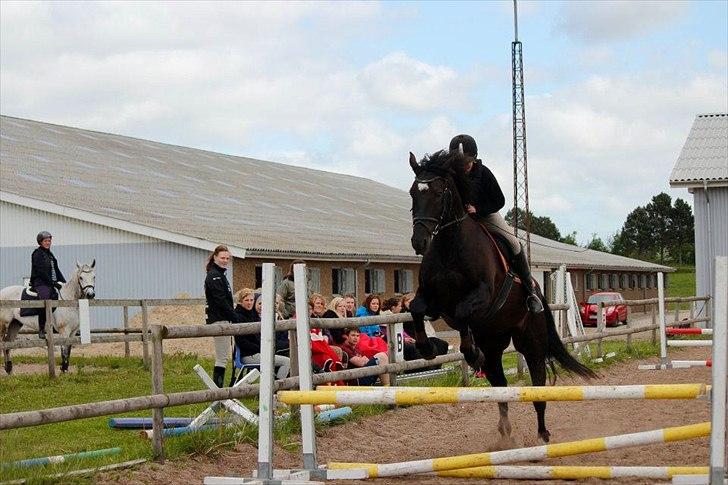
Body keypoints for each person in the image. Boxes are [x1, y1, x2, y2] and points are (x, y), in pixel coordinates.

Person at [450, 134, 543, 313]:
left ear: (474, 159)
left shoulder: (484, 173)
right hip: (460, 220)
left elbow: (499, 201)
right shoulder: (453, 175)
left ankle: (530, 289)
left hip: (486, 215)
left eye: (467, 163)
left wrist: (478, 210)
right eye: (460, 164)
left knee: (514, 242)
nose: (464, 167)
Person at [204, 245, 242, 388]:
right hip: (218, 319)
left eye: (227, 258)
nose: (225, 261)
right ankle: (217, 390)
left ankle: (218, 390)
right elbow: (220, 301)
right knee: (222, 358)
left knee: (223, 357)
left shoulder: (220, 275)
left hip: (224, 318)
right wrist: (235, 316)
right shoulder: (214, 276)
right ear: (215, 257)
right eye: (222, 258)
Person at [234, 293, 291, 379]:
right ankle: (276, 387)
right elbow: (242, 341)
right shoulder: (240, 317)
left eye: (251, 300)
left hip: (259, 352)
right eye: (246, 300)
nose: (249, 303)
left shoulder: (253, 316)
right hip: (249, 355)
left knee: (288, 355)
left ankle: (277, 383)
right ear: (240, 302)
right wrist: (262, 348)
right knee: (286, 361)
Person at [30, 231, 66, 339]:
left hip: (51, 283)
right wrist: (53, 283)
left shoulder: (50, 255)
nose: (48, 243)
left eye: (49, 241)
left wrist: (63, 282)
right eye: (45, 241)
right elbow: (41, 271)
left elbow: (56, 269)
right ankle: (41, 329)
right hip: (41, 282)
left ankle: (54, 325)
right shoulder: (37, 253)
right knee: (45, 300)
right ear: (40, 242)